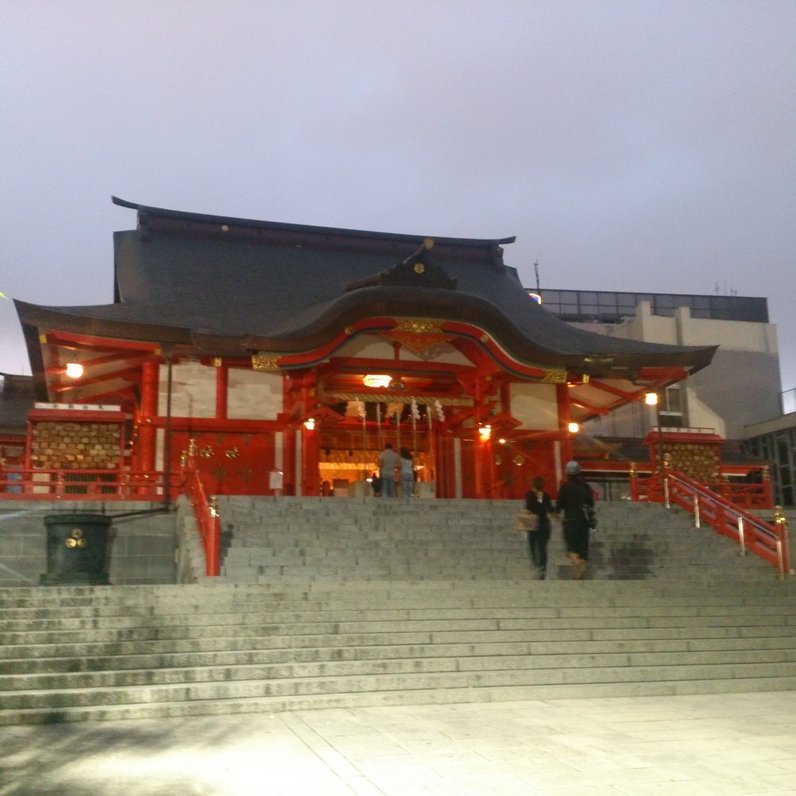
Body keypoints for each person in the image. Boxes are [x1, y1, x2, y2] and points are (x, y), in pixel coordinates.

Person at [555, 460, 595, 580]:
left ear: (567, 474)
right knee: (582, 545)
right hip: (584, 520)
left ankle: (576, 562)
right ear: (579, 472)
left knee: (571, 546)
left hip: (570, 519)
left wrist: (556, 514)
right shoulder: (586, 487)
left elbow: (559, 504)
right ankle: (581, 565)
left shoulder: (565, 487)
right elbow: (591, 503)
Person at [524, 475, 554, 579]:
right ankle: (542, 568)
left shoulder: (530, 495)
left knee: (532, 546)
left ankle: (537, 565)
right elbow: (550, 509)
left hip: (533, 524)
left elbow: (528, 509)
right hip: (544, 524)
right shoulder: (545, 496)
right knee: (542, 548)